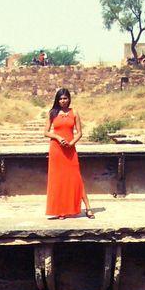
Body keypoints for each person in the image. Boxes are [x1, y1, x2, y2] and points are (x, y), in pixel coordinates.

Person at [45, 87, 93, 219]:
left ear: (69, 99)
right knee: (58, 180)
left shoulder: (74, 112)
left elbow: (80, 133)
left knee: (76, 178)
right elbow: (46, 132)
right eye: (60, 98)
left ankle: (88, 208)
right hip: (56, 149)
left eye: (65, 98)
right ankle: (61, 211)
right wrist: (58, 137)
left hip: (70, 150)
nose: (63, 101)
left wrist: (71, 143)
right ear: (57, 99)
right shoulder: (52, 113)